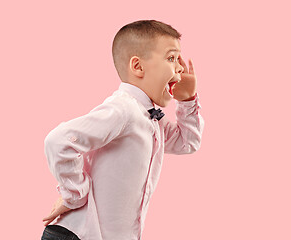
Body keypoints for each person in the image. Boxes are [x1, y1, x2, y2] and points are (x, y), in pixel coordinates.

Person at [41, 19, 204, 240]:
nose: (180, 67)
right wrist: (74, 195)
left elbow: (187, 143)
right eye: (171, 58)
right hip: (78, 235)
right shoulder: (124, 109)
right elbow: (58, 141)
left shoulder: (151, 118)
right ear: (138, 66)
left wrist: (187, 100)